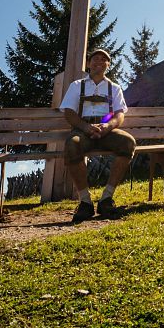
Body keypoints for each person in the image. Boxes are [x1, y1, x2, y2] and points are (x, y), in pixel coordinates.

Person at [59, 49, 136, 223]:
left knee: (128, 142)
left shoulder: (114, 88)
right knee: (72, 144)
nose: (99, 62)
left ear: (108, 65)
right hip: (82, 129)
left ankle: (106, 199)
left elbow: (119, 114)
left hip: (106, 130)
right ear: (88, 64)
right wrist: (86, 128)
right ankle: (85, 202)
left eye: (104, 60)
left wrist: (108, 126)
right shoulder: (77, 85)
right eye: (95, 59)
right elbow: (69, 113)